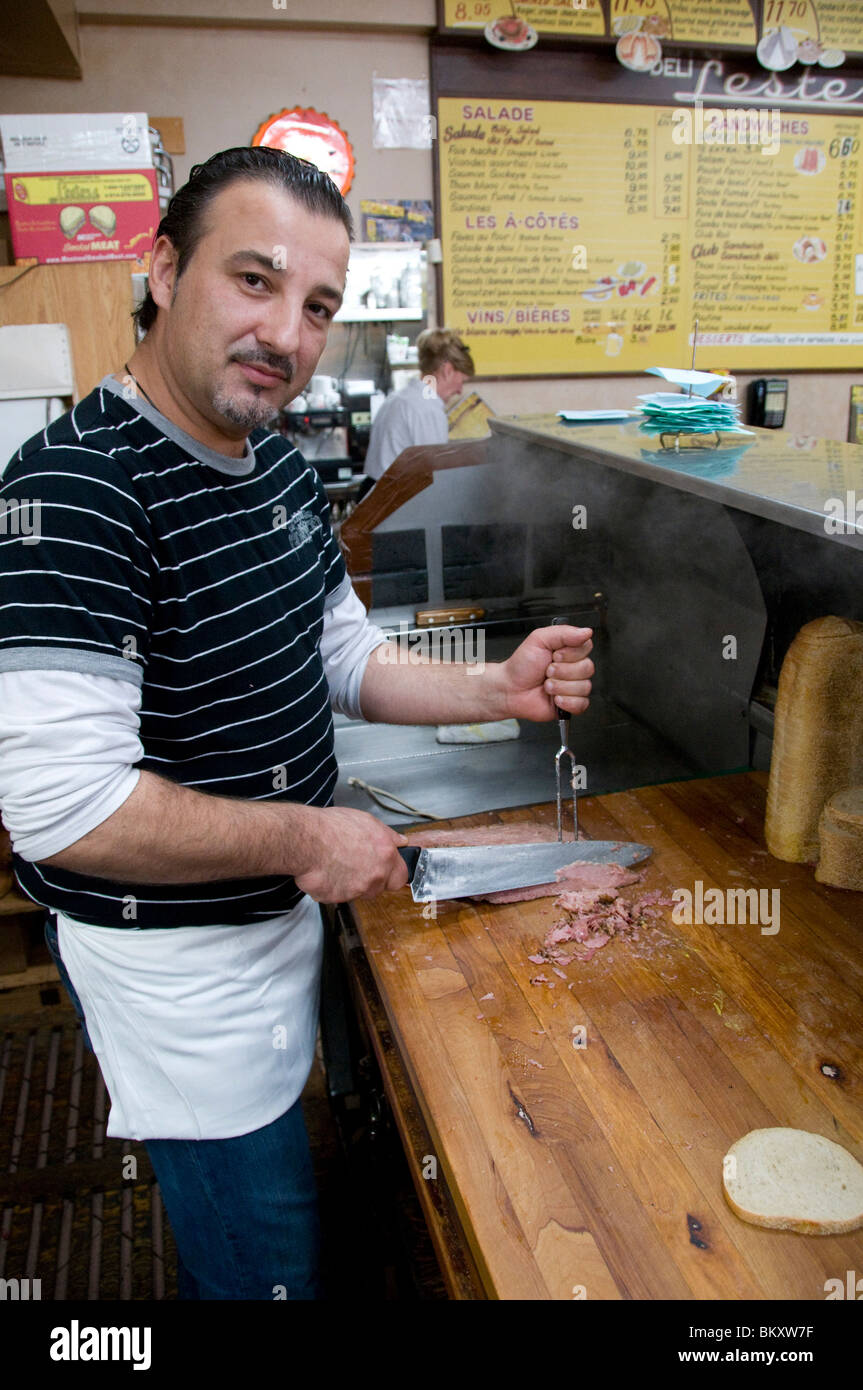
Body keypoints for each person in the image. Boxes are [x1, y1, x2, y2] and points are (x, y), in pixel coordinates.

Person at [0, 147, 593, 1300]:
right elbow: (61, 811)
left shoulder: (270, 469)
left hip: (280, 921)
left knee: (309, 1198)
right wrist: (309, 837)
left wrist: (492, 687)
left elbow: (341, 652)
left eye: (316, 305)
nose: (285, 331)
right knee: (263, 1264)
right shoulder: (74, 493)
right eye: (253, 280)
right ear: (164, 267)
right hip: (181, 974)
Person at [362, 327, 474, 482]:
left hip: (375, 492)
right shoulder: (428, 409)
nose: (460, 390)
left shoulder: (398, 398)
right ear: (447, 370)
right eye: (461, 381)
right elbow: (434, 475)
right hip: (394, 499)